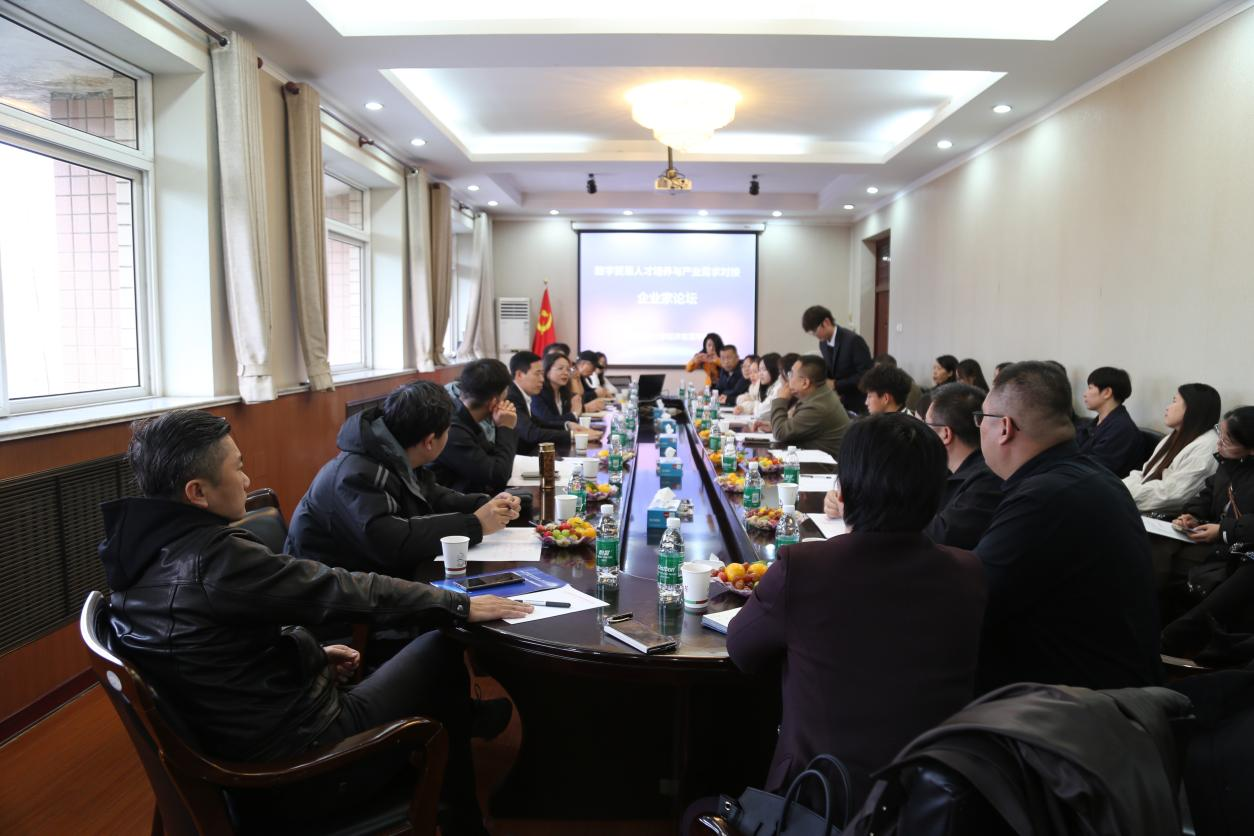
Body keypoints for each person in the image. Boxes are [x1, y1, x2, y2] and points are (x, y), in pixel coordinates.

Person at [99, 409, 532, 835]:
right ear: (197, 492)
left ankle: (460, 791)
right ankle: (462, 819)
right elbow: (340, 588)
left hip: (254, 752)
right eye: (238, 468)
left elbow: (217, 653)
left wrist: (312, 654)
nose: (247, 480)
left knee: (429, 660)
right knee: (441, 647)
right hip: (301, 771)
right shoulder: (216, 559)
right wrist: (456, 603)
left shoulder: (139, 557)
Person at [728, 414, 986, 805]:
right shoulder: (969, 572)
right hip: (930, 804)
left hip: (821, 801)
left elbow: (742, 651)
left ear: (845, 490)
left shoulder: (805, 568)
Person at [973, 361, 1160, 692]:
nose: (978, 427)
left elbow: (973, 599)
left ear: (1004, 428)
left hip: (1081, 704)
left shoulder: (1045, 497)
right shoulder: (1089, 476)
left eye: (981, 418)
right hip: (1109, 683)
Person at [286, 381, 520, 579]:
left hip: (367, 579)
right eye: (448, 430)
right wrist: (475, 524)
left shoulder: (392, 449)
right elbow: (393, 543)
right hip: (329, 591)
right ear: (430, 441)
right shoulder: (357, 474)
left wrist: (485, 504)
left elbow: (430, 494)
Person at [1153, 407, 1254, 605]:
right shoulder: (1229, 463)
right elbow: (1208, 493)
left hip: (1232, 548)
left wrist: (1222, 531)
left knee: (1162, 562)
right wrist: (1192, 515)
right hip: (1208, 535)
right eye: (1219, 433)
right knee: (1152, 543)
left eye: (1227, 441)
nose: (1219, 443)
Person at [921, 383, 1004, 549]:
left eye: (926, 426)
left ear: (945, 434)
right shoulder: (946, 470)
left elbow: (944, 536)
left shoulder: (987, 479)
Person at [1123, 384, 1221, 514]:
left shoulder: (1207, 447)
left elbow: (1173, 495)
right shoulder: (1174, 436)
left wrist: (1122, 493)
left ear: (1192, 408)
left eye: (1174, 401)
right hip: (1139, 506)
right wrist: (1116, 487)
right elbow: (1145, 473)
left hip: (1168, 518)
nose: (1167, 407)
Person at [430, 359, 518, 495]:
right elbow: (497, 476)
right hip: (447, 504)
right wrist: (506, 427)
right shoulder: (452, 429)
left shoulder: (465, 417)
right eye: (505, 393)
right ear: (494, 401)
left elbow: (494, 458)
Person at [769, 355, 850, 461]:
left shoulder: (817, 406)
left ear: (805, 383)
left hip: (823, 467)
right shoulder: (819, 395)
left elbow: (780, 433)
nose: (788, 379)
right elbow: (792, 428)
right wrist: (773, 425)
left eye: (791, 374)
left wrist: (781, 400)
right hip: (813, 460)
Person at [505, 350, 585, 455]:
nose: (542, 379)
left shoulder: (521, 394)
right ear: (519, 375)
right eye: (537, 374)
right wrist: (572, 435)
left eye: (542, 374)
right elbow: (531, 433)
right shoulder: (511, 397)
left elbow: (540, 423)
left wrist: (567, 425)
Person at [801, 305, 873, 414]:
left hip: (858, 402)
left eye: (815, 331)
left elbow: (866, 375)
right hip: (838, 401)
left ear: (826, 322)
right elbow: (831, 370)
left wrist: (836, 385)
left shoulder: (853, 340)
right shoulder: (823, 343)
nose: (816, 336)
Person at [1076, 366, 1143, 477]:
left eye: (1090, 388)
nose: (1085, 394)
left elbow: (1093, 469)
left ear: (1107, 392)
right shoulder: (1094, 424)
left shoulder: (1122, 429)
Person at [531, 351, 585, 427]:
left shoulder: (564, 393)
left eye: (568, 369)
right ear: (547, 370)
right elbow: (548, 421)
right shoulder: (538, 394)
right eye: (560, 368)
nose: (566, 373)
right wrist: (574, 414)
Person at [735, 352, 782, 418]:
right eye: (759, 370)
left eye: (764, 369)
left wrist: (750, 406)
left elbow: (761, 411)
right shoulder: (769, 387)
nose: (760, 374)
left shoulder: (779, 387)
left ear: (773, 369)